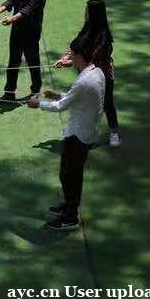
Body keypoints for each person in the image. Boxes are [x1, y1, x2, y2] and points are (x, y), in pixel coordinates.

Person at [27, 35, 105, 230]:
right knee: (72, 173)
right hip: (88, 131)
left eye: (72, 54)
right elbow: (74, 98)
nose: (70, 58)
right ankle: (70, 205)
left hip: (78, 135)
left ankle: (71, 217)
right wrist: (57, 95)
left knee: (69, 175)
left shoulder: (83, 81)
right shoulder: (97, 72)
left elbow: (61, 106)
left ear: (79, 56)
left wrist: (38, 104)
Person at [54, 0, 120, 147]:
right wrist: (66, 57)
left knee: (107, 103)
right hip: (86, 73)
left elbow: (94, 58)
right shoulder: (87, 27)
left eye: (87, 10)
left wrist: (70, 63)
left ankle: (114, 132)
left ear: (93, 13)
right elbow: (77, 44)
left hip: (103, 74)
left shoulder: (104, 35)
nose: (85, 12)